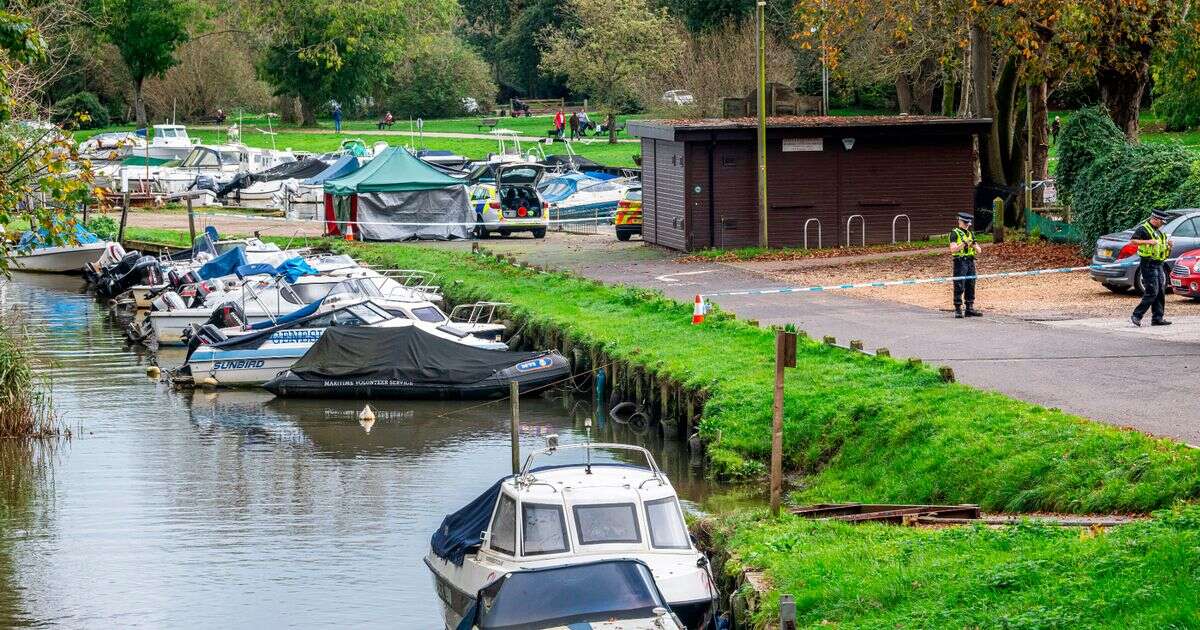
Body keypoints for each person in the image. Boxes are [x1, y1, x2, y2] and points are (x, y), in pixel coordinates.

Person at [1130, 209, 1174, 327]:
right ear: (1155, 219)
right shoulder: (1143, 229)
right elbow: (1133, 242)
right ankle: (1136, 315)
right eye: (1162, 222)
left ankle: (1157, 318)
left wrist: (1169, 246)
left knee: (1160, 291)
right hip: (1148, 263)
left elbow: (1162, 248)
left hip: (1159, 263)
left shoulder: (1158, 232)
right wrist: (1148, 241)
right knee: (1152, 291)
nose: (1163, 224)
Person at [950, 211, 982, 318]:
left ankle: (969, 308)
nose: (967, 225)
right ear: (960, 222)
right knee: (959, 283)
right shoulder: (954, 233)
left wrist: (973, 245)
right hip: (960, 261)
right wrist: (963, 244)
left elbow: (979, 250)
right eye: (965, 222)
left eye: (968, 223)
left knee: (971, 283)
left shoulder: (971, 234)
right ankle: (958, 308)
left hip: (970, 261)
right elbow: (953, 249)